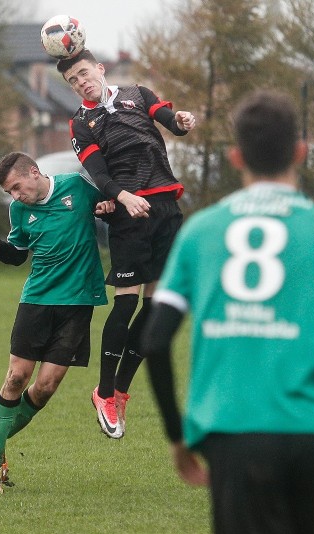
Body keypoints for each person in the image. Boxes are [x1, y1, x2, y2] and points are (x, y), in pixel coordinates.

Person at [140, 89, 314, 534]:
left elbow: (156, 341)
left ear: (236, 158)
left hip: (233, 428)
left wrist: (177, 436)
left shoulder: (201, 232)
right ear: (300, 152)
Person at [56, 49, 197, 439]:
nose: (82, 82)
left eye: (85, 73)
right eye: (74, 81)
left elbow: (170, 121)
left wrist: (182, 121)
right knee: (127, 301)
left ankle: (120, 391)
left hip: (166, 207)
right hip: (129, 212)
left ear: (100, 69)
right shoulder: (81, 123)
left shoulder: (138, 92)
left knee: (158, 306)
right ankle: (103, 392)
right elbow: (98, 173)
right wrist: (123, 198)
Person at [0, 152, 112, 494]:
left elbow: (112, 207)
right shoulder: (19, 210)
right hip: (36, 301)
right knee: (16, 378)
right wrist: (1, 250)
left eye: (16, 187)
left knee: (46, 387)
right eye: (9, 192)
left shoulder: (78, 187)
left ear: (34, 173)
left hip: (78, 303)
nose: (15, 196)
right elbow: (19, 254)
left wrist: (110, 207)